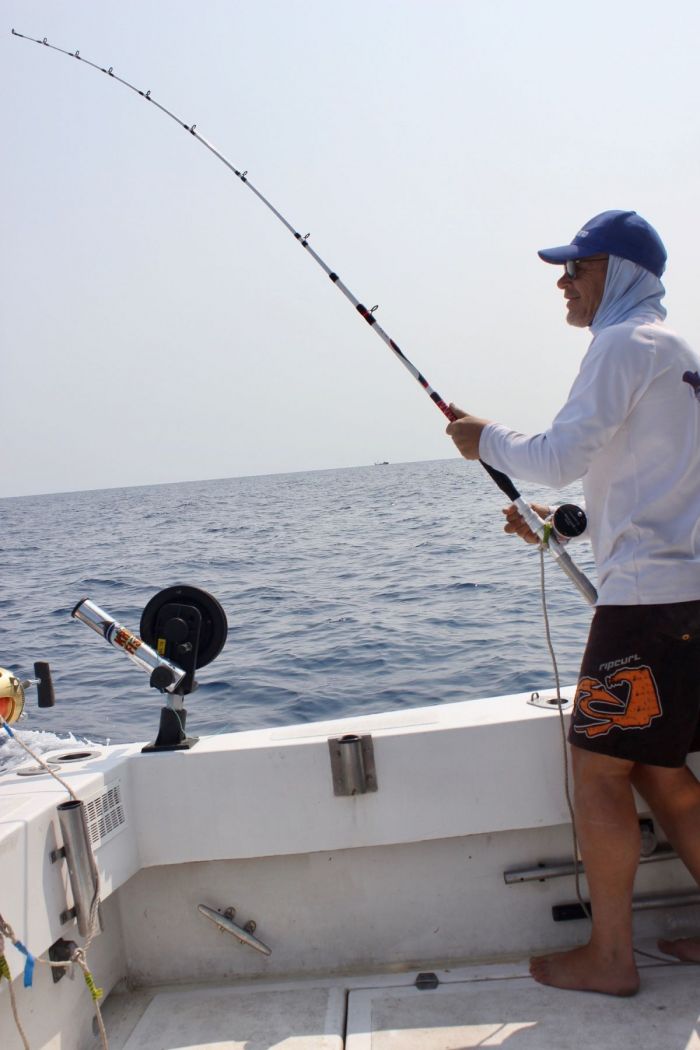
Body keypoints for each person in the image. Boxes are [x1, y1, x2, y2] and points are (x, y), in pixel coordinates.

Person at [447, 209, 700, 996]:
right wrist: (563, 526)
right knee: (662, 776)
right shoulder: (679, 354)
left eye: (577, 267)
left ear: (617, 272)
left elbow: (557, 456)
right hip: (686, 599)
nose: (563, 281)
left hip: (645, 605)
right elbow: (655, 479)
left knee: (596, 771)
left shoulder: (622, 346)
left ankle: (611, 959)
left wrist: (482, 438)